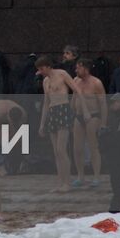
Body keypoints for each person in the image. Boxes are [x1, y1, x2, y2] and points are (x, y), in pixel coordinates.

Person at [36, 55, 76, 192]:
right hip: (53, 111)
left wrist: (76, 107)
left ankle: (67, 183)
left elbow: (76, 90)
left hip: (63, 108)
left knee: (61, 149)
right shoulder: (45, 81)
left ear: (48, 66)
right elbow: (46, 103)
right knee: (56, 151)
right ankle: (61, 182)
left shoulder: (62, 74)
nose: (40, 71)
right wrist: (42, 124)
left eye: (41, 68)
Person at [72, 57, 107, 188]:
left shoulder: (96, 83)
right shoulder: (75, 81)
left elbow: (103, 104)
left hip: (93, 116)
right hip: (78, 116)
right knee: (77, 148)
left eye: (78, 67)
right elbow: (74, 99)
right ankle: (80, 176)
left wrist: (103, 123)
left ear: (85, 69)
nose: (76, 70)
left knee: (93, 147)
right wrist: (71, 114)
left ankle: (96, 176)